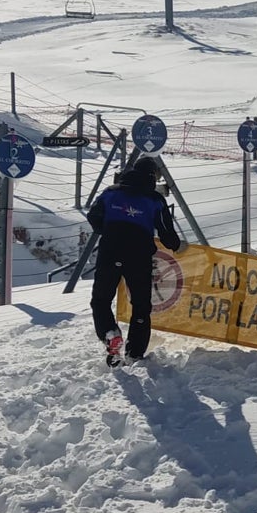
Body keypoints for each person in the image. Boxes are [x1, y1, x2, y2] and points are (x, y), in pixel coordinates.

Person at [88, 155, 182, 361]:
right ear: (152, 176)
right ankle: (135, 353)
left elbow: (93, 215)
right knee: (140, 305)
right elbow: (167, 233)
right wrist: (177, 246)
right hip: (138, 256)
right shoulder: (155, 200)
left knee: (101, 300)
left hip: (110, 251)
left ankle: (110, 334)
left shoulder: (110, 193)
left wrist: (110, 230)